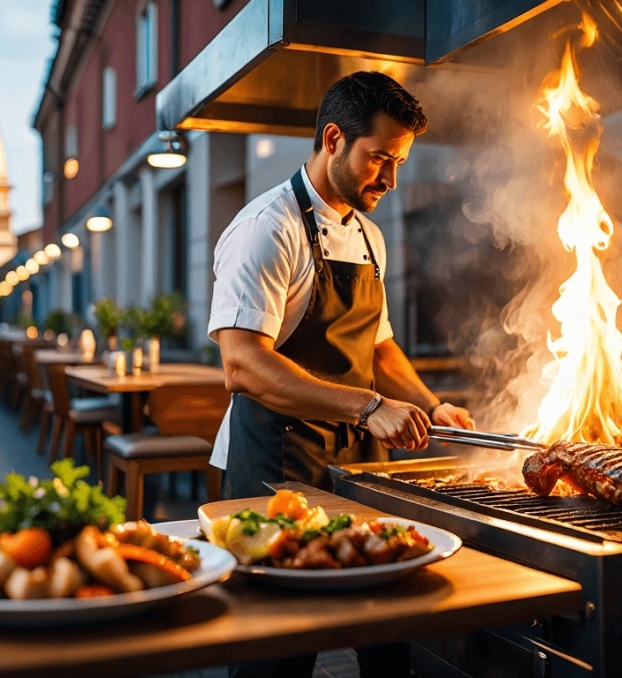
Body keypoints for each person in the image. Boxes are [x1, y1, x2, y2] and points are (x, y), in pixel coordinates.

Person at [206, 71, 476, 678]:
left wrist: (434, 407)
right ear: (333, 138)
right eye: (380, 157)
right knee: (278, 650)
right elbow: (243, 363)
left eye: (400, 161)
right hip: (275, 464)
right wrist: (367, 408)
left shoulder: (368, 234)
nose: (392, 178)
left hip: (354, 466)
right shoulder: (267, 229)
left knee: (384, 628)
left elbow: (380, 349)